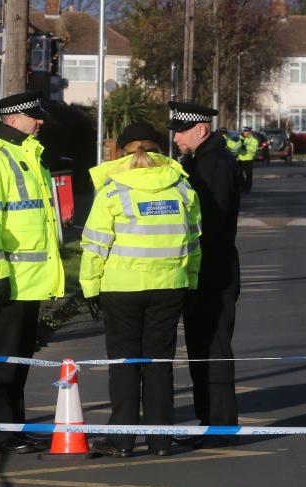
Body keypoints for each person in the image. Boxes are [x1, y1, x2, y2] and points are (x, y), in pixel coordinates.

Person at [80, 122, 202, 457]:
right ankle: (160, 440)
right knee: (160, 363)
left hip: (122, 290)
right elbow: (194, 242)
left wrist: (90, 289)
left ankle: (122, 440)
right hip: (169, 287)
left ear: (120, 152)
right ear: (159, 150)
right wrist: (190, 281)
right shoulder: (181, 189)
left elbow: (94, 245)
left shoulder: (113, 191)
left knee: (125, 364)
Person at [0, 91, 65, 454]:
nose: (40, 122)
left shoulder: (31, 157)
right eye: (34, 116)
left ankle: (14, 427)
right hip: (3, 280)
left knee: (18, 359)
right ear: (12, 118)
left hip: (29, 281)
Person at [168, 101, 242, 448]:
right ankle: (210, 420)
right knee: (201, 348)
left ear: (200, 130)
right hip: (207, 269)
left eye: (180, 132)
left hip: (212, 270)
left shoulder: (212, 164)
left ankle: (219, 425)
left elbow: (210, 222)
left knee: (212, 349)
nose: (176, 139)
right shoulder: (201, 160)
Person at [236, 126, 258, 192]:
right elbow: (235, 146)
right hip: (240, 159)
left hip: (248, 159)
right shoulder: (239, 138)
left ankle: (248, 189)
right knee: (239, 175)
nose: (245, 132)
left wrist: (246, 147)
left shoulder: (254, 140)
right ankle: (242, 187)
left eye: (246, 131)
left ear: (249, 132)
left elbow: (254, 150)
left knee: (248, 176)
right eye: (244, 131)